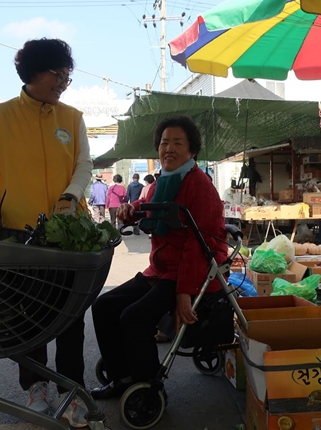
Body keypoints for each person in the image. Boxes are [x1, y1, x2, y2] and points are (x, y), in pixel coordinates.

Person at [0, 38, 92, 428]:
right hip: (16, 234)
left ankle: (71, 391)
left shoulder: (72, 118)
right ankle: (36, 387)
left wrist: (71, 197)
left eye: (67, 76)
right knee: (26, 316)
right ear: (34, 72)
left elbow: (84, 166)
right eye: (58, 74)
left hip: (66, 234)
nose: (63, 82)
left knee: (70, 317)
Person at [90, 115, 228, 400]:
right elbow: (147, 205)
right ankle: (121, 376)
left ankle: (148, 383)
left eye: (178, 143)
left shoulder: (199, 186)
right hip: (159, 271)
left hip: (189, 274)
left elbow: (199, 245)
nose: (169, 149)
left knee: (133, 318)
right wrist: (131, 208)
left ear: (191, 151)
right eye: (165, 142)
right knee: (104, 305)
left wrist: (184, 292)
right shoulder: (162, 182)